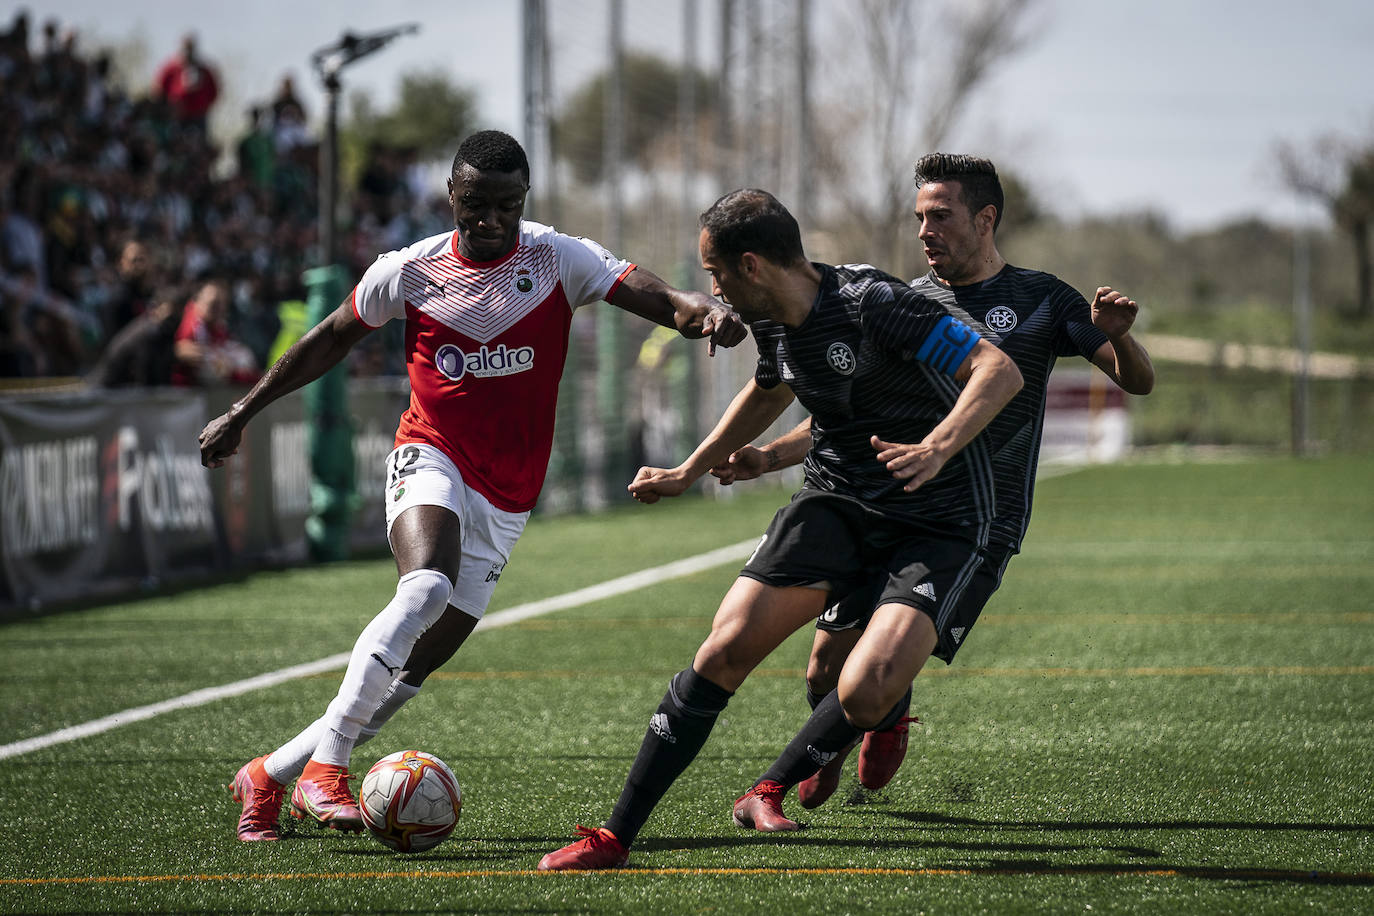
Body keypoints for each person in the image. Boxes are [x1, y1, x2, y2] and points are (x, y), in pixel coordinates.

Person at [202, 130, 746, 843]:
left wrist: (701, 312)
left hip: (508, 494)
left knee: (404, 682)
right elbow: (331, 336)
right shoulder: (410, 270)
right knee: (424, 587)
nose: (491, 219)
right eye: (477, 204)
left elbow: (651, 293)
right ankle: (324, 770)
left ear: (524, 202)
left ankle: (267, 776)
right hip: (430, 455)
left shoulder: (557, 257)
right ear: (452, 196)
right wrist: (244, 411)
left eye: (507, 206)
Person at [537, 187, 1024, 870]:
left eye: (716, 274)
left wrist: (937, 446)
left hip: (939, 516)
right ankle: (615, 837)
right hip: (839, 499)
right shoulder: (769, 319)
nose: (712, 289)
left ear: (753, 265)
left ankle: (849, 732)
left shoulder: (874, 304)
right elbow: (771, 387)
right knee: (725, 648)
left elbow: (996, 370)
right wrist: (689, 469)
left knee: (865, 684)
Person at [708, 153, 1156, 810]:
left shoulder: (1042, 299)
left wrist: (1120, 341)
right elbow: (847, 418)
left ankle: (799, 766)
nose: (925, 230)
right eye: (919, 217)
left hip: (974, 520)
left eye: (940, 216)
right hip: (881, 508)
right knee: (824, 669)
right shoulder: (906, 301)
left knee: (873, 674)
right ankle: (872, 721)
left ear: (986, 218)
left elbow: (1135, 381)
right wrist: (764, 457)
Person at [153, 33, 219, 131]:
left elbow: (214, 92)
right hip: (176, 115)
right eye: (186, 48)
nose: (188, 51)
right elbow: (159, 89)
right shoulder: (171, 68)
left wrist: (203, 106)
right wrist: (168, 108)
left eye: (191, 48)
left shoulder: (204, 70)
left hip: (199, 116)